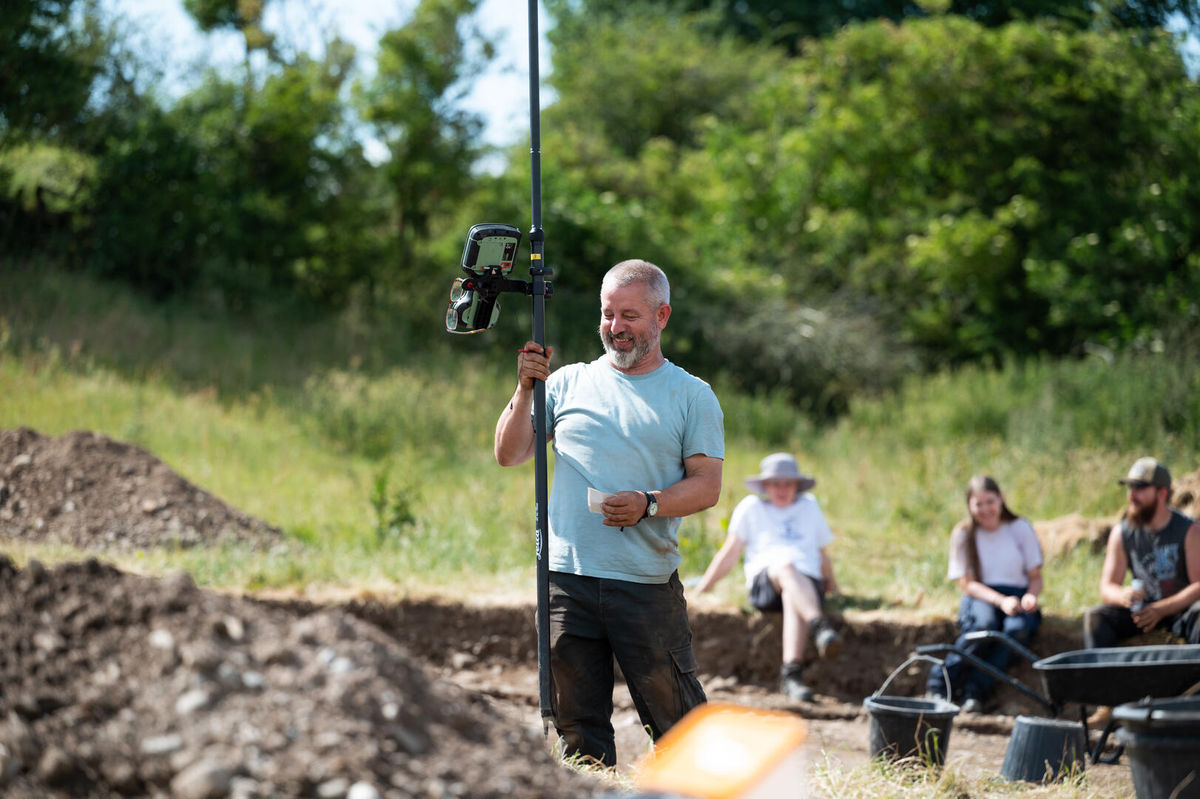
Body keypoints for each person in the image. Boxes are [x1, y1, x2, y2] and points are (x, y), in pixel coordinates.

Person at [494, 259, 724, 767]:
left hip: (643, 584)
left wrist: (650, 504)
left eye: (630, 316)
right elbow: (510, 454)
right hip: (565, 582)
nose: (616, 328)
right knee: (577, 732)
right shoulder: (569, 383)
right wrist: (526, 389)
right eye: (607, 315)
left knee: (680, 726)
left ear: (661, 316)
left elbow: (707, 486)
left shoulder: (691, 395)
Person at [693, 453, 842, 703]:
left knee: (793, 594)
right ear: (765, 486)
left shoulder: (809, 506)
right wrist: (704, 588)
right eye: (776, 483)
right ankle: (820, 626)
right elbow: (730, 552)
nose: (782, 489)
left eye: (788, 483)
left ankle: (792, 675)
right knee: (785, 567)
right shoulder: (751, 508)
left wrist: (835, 589)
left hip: (806, 585)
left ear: (797, 485)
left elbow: (821, 553)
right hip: (767, 582)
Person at [925, 475, 1043, 714]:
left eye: (990, 501)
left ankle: (975, 690)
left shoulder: (1020, 528)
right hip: (980, 594)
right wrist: (1000, 601)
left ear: (1000, 499)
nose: (986, 509)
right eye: (979, 504)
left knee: (1015, 632)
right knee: (983, 626)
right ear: (969, 505)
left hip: (1017, 594)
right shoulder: (964, 534)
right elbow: (968, 584)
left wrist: (1031, 596)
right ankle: (939, 685)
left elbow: (1035, 576)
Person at [1082, 457, 1200, 649]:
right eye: (1130, 488)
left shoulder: (1189, 531)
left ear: (1162, 493)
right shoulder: (1121, 533)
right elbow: (1107, 586)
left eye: (1140, 488)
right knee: (1095, 617)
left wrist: (1162, 609)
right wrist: (1123, 595)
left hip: (1180, 611)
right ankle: (1102, 678)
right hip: (1141, 614)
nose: (1132, 496)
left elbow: (1198, 585)